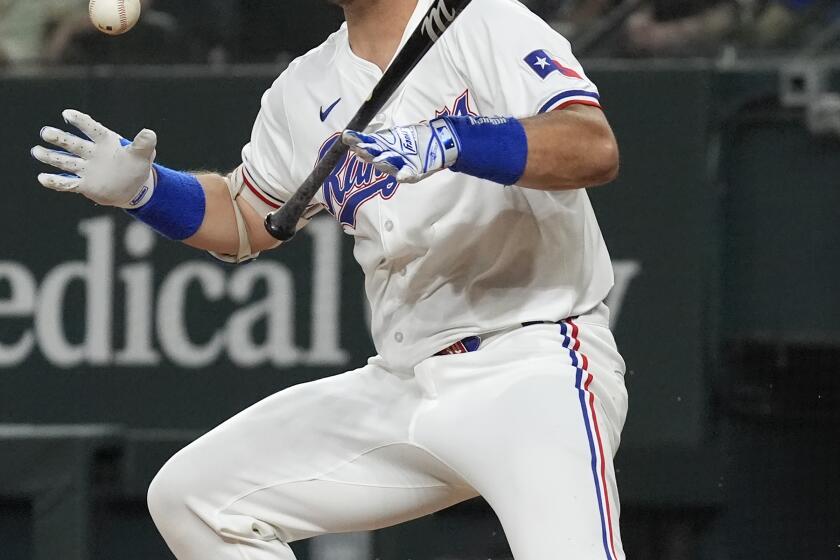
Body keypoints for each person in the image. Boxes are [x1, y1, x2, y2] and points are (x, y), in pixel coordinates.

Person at [30, 0, 628, 559]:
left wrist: (455, 141)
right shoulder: (303, 87)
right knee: (193, 498)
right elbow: (247, 218)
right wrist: (148, 191)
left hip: (530, 364)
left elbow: (591, 146)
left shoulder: (482, 19)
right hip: (405, 382)